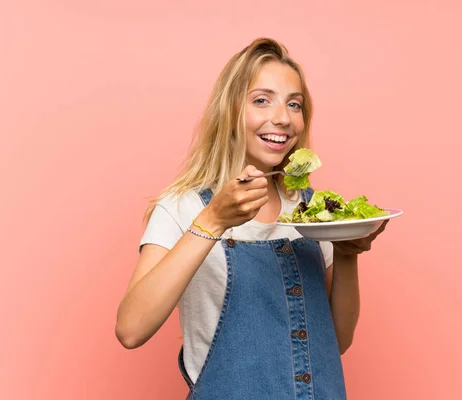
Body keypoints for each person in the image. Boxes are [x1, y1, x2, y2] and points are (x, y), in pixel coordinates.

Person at [115, 37, 388, 399]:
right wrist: (211, 222)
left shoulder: (313, 213)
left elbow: (335, 341)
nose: (283, 118)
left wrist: (348, 252)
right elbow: (131, 329)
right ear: (229, 112)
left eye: (295, 104)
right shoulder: (182, 207)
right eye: (262, 100)